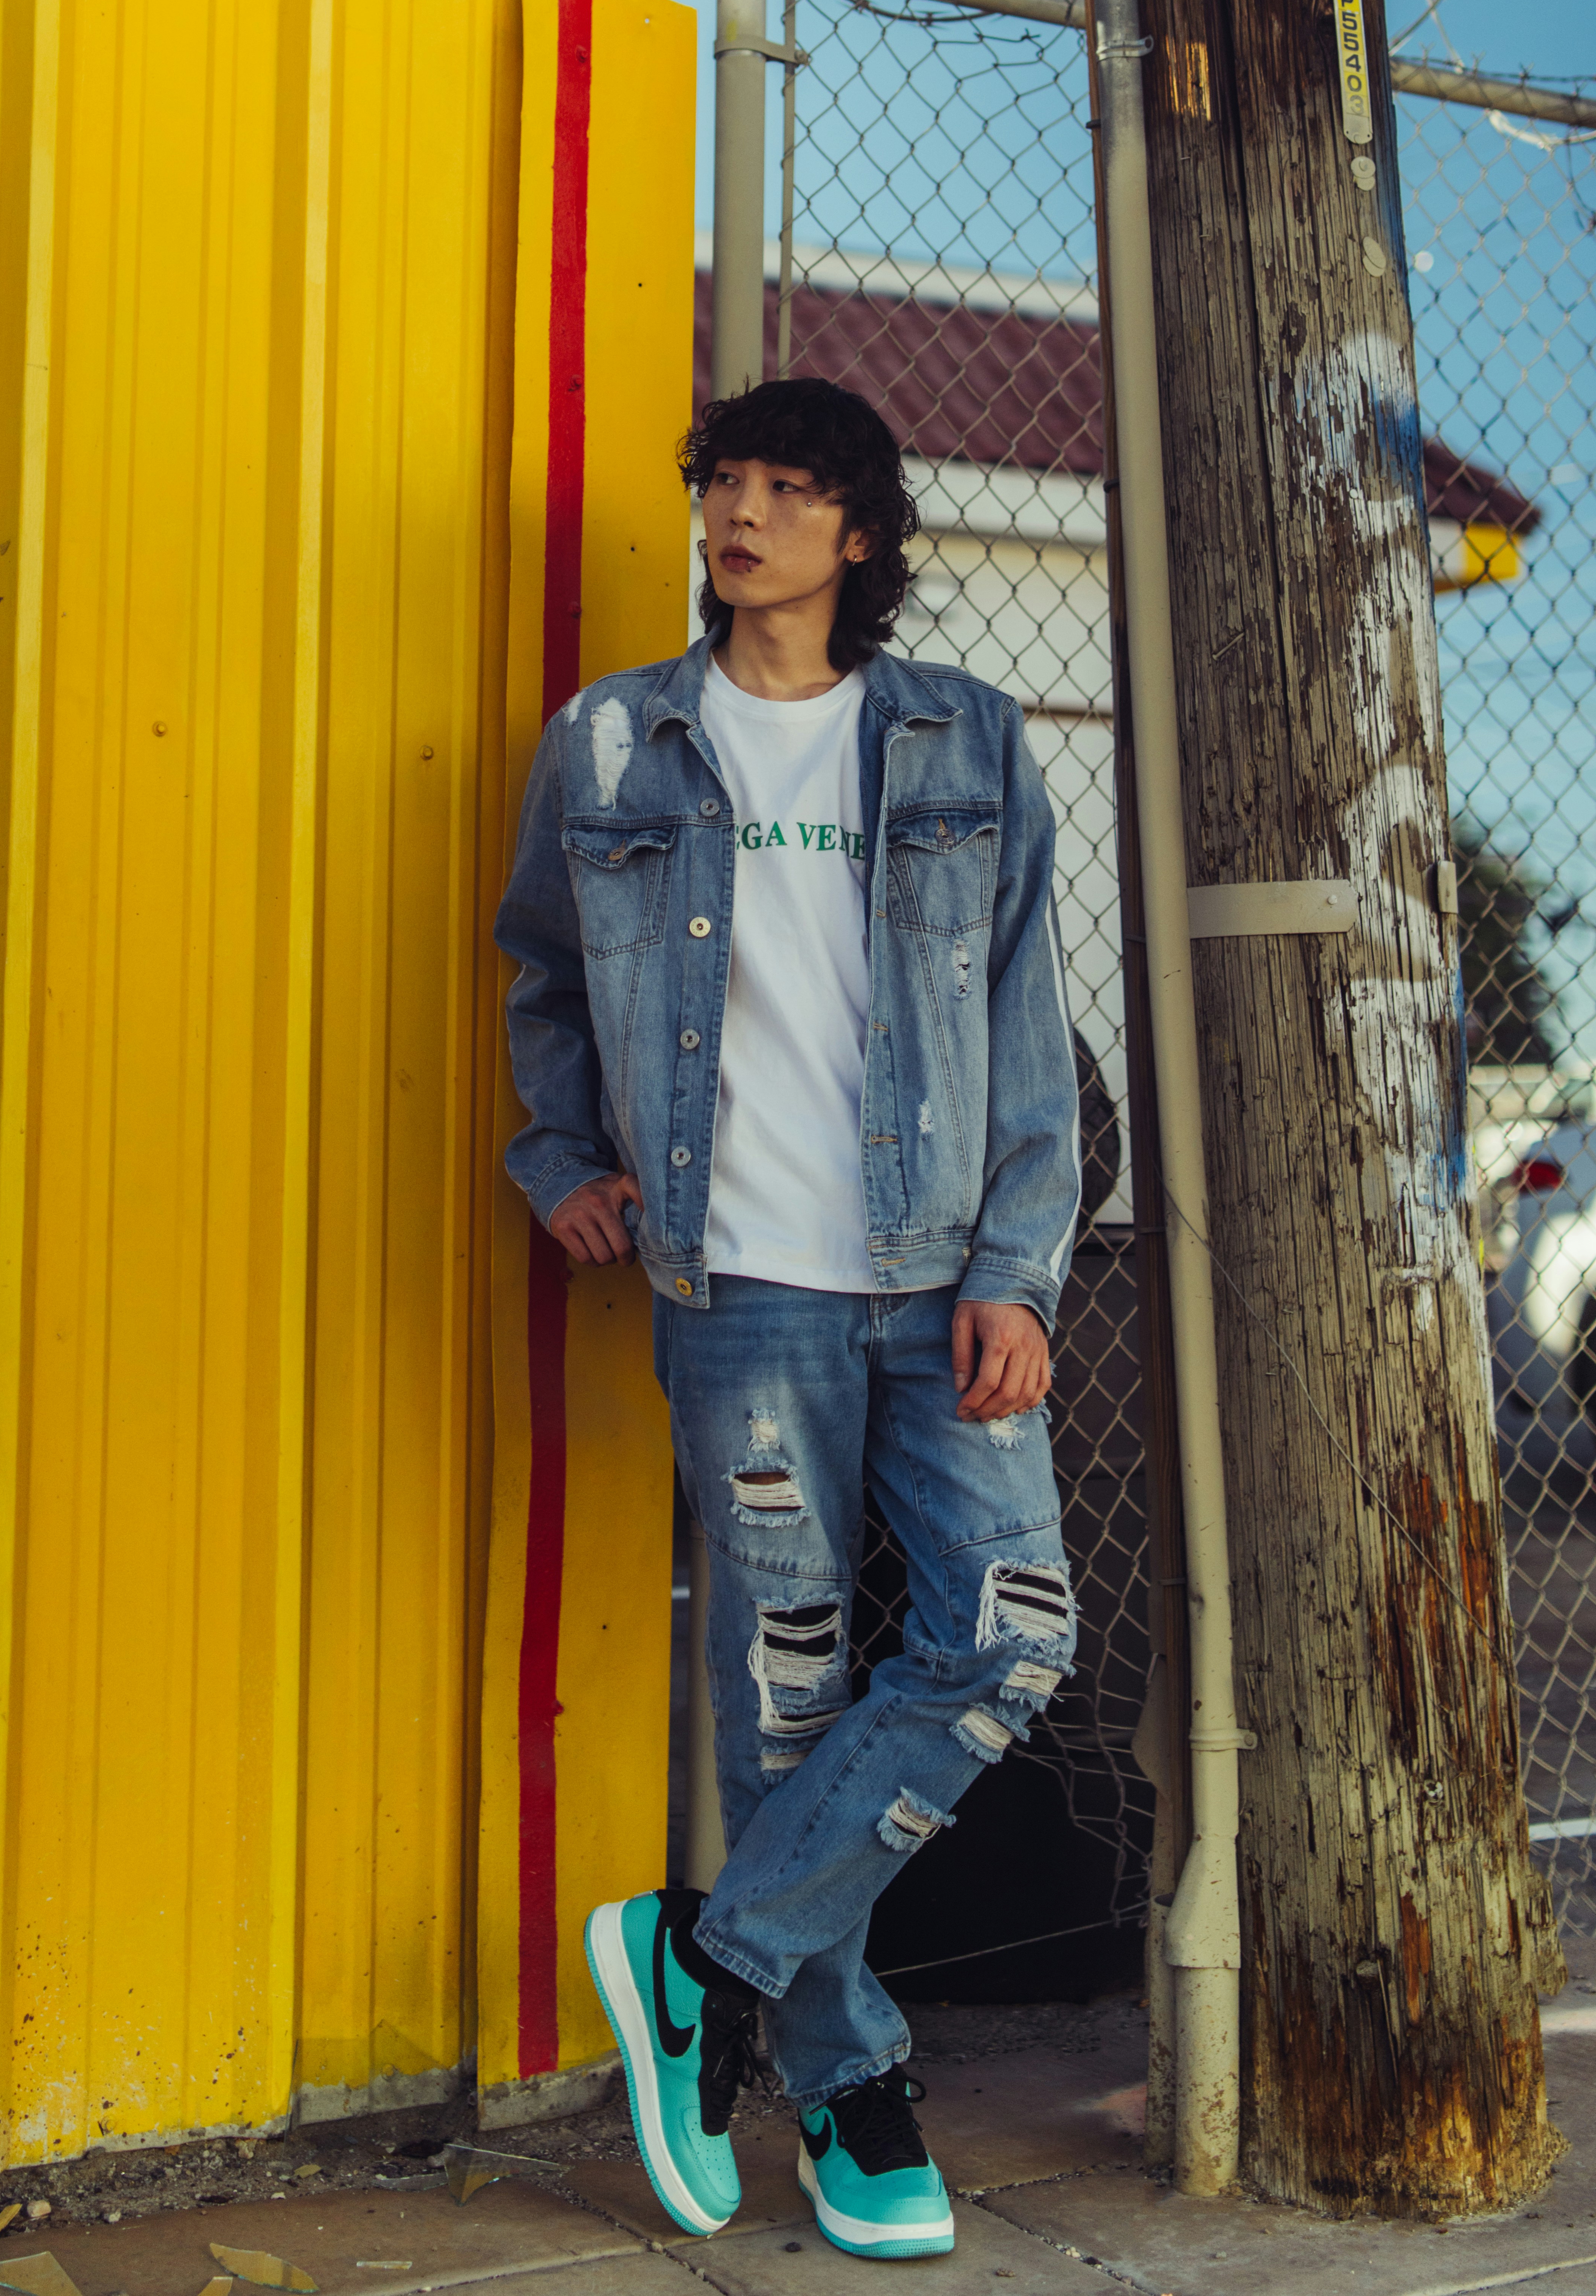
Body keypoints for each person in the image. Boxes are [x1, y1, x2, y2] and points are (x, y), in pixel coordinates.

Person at [496, 378, 1081, 2259]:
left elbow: (1023, 1033)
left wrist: (1016, 1268)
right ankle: (847, 2088)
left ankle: (704, 1954)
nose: (740, 514)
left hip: (938, 1274)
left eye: (786, 487)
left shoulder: (967, 743)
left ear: (858, 535)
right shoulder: (607, 747)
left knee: (1008, 1638)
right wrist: (554, 1157)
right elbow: (536, 974)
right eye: (719, 483)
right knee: (786, 1690)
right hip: (736, 1285)